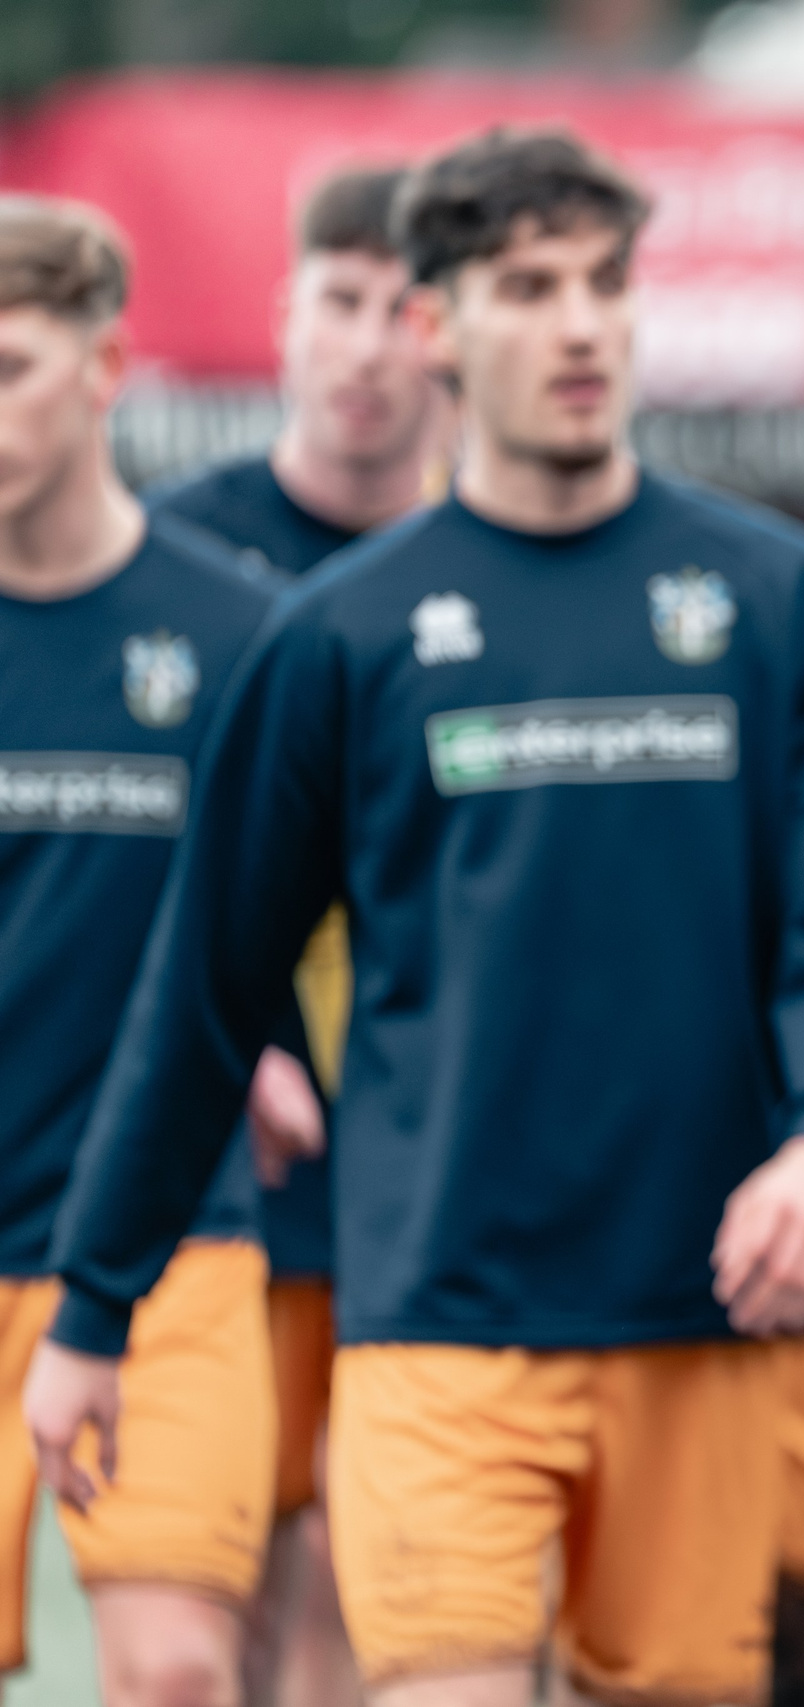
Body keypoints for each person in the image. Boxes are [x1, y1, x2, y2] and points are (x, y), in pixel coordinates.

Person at [20, 129, 804, 1707]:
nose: (579, 326)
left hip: (703, 1313)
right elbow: (205, 994)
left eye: (605, 285)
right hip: (431, 1325)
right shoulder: (333, 639)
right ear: (436, 325)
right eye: (529, 287)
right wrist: (94, 1305)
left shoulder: (777, 596)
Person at [148, 161, 448, 1707]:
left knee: (369, 1548)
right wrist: (244, 1035)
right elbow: (152, 851)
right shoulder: (176, 558)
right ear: (283, 318)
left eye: (401, 311)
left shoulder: (480, 558)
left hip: (430, 1126)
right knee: (243, 1556)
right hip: (241, 1140)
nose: (368, 348)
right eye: (338, 303)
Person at [0, 197, 282, 1707]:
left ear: (104, 364)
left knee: (179, 1667)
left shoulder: (241, 633)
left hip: (174, 1235)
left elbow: (311, 901)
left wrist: (286, 1042)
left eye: (8, 366)